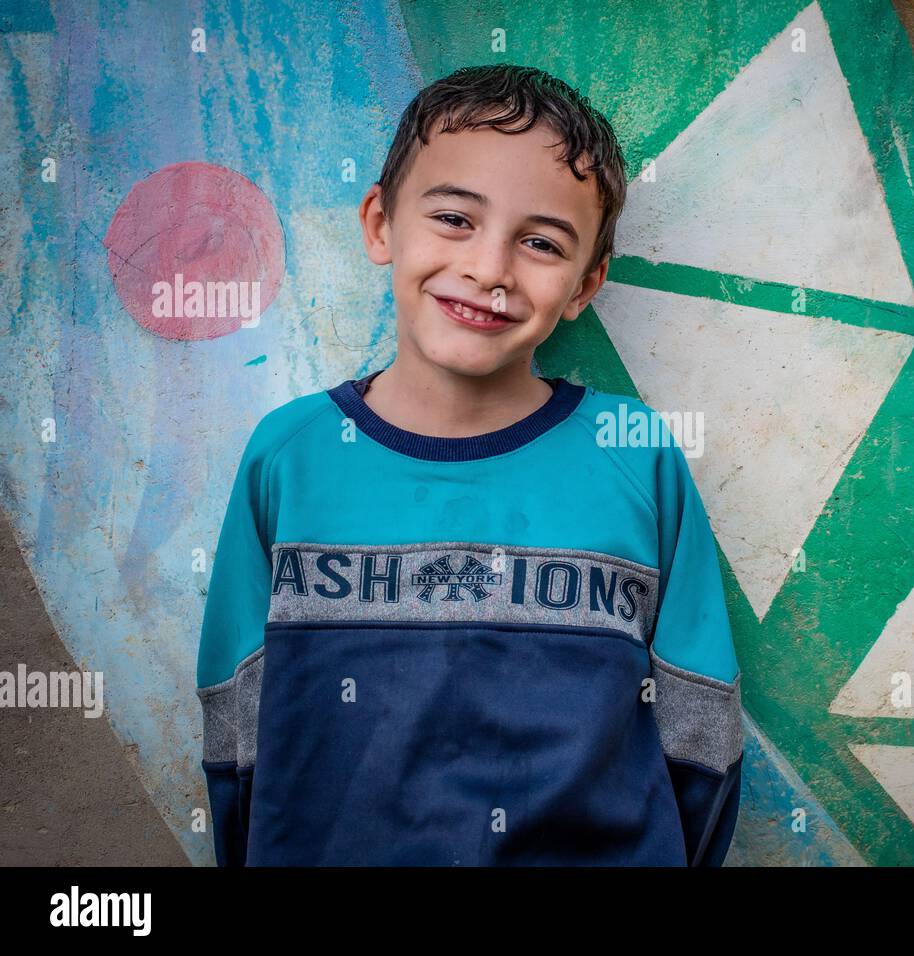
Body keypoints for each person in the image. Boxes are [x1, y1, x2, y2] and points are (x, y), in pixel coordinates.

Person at [194, 64, 743, 866]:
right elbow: (235, 725)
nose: (490, 269)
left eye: (541, 243)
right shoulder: (291, 455)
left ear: (586, 283)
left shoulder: (635, 452)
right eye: (454, 217)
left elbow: (700, 729)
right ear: (381, 224)